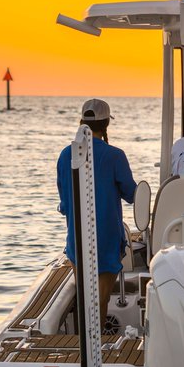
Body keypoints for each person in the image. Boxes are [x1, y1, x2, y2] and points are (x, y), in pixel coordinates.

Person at [57, 98, 136, 329]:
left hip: (76, 239)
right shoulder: (115, 156)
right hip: (107, 239)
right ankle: (98, 346)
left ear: (82, 121)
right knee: (100, 301)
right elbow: (132, 194)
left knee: (85, 297)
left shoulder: (65, 155)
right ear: (106, 125)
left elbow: (64, 203)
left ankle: (84, 348)